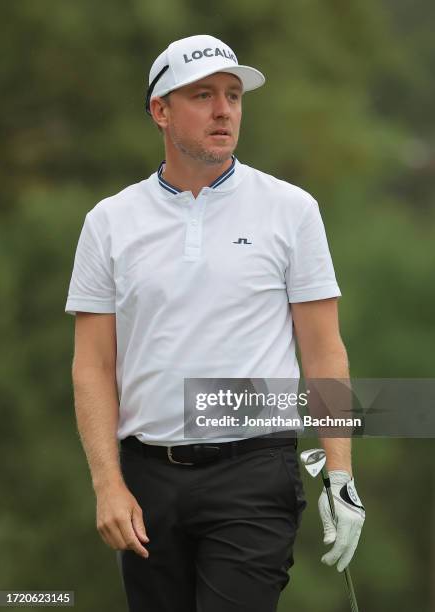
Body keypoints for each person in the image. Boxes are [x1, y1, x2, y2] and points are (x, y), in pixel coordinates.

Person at [65, 34, 365, 612]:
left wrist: (340, 471)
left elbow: (325, 352)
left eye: (232, 95)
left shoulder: (291, 209)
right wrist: (108, 483)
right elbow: (93, 364)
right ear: (160, 111)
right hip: (147, 478)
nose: (224, 109)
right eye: (202, 95)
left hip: (254, 472)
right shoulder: (109, 222)